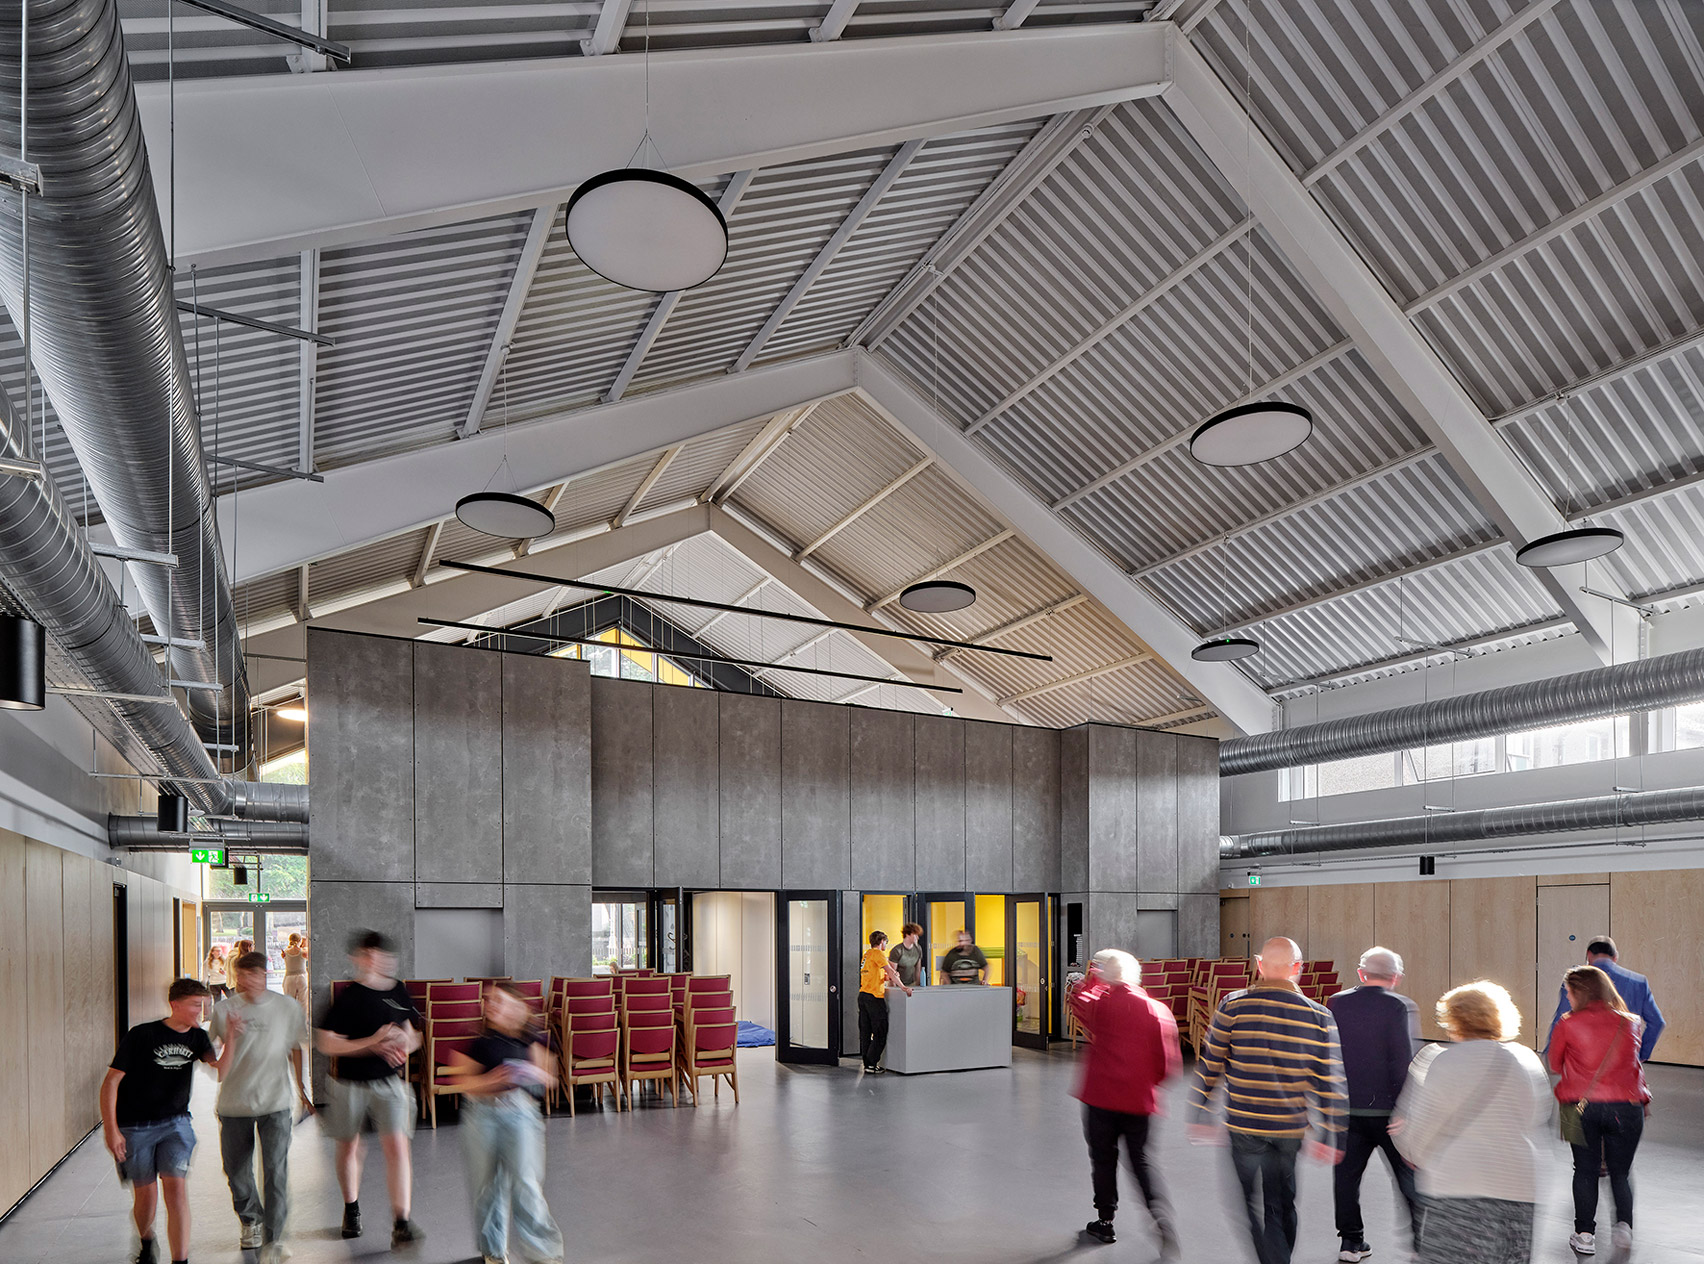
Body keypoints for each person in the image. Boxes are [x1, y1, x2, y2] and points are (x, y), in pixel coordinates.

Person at [1187, 937, 1346, 1264]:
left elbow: (1210, 1063)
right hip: (1289, 1129)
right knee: (1281, 1204)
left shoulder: (1232, 1005)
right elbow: (1330, 1082)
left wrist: (1198, 1111)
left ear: (1259, 965)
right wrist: (1333, 1133)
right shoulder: (1318, 1016)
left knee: (1250, 1206)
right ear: (1298, 969)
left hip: (1243, 1126)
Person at [1392, 981, 1550, 1264]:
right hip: (1518, 1186)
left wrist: (1408, 1143)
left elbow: (1418, 1134)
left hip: (1458, 1187)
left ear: (1454, 1019)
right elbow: (1535, 1116)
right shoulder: (1526, 1060)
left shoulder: (1440, 1061)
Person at [101, 978, 230, 1264]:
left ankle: (180, 1260)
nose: (201, 1012)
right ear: (175, 1005)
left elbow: (219, 1070)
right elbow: (111, 1082)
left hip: (176, 1124)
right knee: (146, 1197)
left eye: (204, 1006)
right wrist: (112, 1130)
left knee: (176, 1190)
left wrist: (232, 1038)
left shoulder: (198, 1037)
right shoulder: (142, 1035)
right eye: (196, 1006)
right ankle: (147, 1240)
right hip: (135, 1126)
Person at [315, 929, 426, 1247]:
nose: (377, 960)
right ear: (358, 958)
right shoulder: (347, 996)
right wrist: (373, 1043)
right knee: (350, 1147)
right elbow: (327, 1042)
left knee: (398, 1148)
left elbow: (413, 1035)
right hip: (350, 1084)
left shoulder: (399, 991)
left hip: (390, 1083)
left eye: (382, 955)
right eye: (369, 954)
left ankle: (401, 1222)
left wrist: (405, 1044)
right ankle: (351, 1209)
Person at [1070, 949, 1181, 1257]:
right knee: (1142, 1162)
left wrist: (1094, 978)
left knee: (1103, 1160)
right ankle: (1161, 1219)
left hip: (1100, 1098)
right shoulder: (1157, 1010)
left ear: (1107, 976)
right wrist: (1146, 1084)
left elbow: (1077, 1001)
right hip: (1139, 1100)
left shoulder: (1101, 1005)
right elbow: (1168, 1066)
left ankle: (1105, 1221)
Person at [448, 981, 565, 1264]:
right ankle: (494, 1251)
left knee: (526, 1184)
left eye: (499, 1001)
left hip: (521, 1114)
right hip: (482, 1116)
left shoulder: (533, 1039)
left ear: (518, 1007)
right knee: (487, 1187)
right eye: (490, 1002)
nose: (492, 1007)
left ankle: (543, 1253)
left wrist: (531, 1075)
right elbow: (461, 1081)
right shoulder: (478, 1041)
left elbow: (550, 1079)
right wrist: (492, 1080)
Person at [210, 951, 314, 1264]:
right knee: (237, 1172)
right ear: (237, 976)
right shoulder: (223, 1009)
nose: (248, 982)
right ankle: (250, 1218)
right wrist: (230, 1036)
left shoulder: (287, 1007)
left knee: (276, 1172)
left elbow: (297, 1048)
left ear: (265, 974)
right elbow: (213, 1063)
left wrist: (303, 1090)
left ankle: (275, 1239)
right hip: (234, 1104)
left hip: (276, 1103)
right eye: (242, 976)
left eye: (254, 975)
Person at [1326, 947, 1421, 1263]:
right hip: (1389, 1113)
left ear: (1361, 973)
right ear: (1396, 977)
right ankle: (1419, 1243)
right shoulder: (1399, 1006)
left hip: (1346, 1110)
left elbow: (1329, 1058)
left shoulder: (1337, 1003)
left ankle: (1351, 1243)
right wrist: (1404, 1109)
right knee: (1407, 1178)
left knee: (1346, 1179)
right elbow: (1402, 1061)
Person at [1548, 964, 1648, 1258]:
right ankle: (1623, 1228)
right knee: (1621, 1172)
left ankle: (1585, 1235)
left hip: (1576, 1106)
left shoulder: (1567, 1022)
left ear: (1580, 991)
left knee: (1584, 1171)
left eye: (1569, 991)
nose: (1567, 997)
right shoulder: (1630, 1022)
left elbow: (1555, 1064)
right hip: (1627, 1108)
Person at [1545, 936, 1664, 1063]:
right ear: (1615, 957)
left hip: (1583, 1061)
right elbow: (1657, 1022)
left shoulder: (1576, 981)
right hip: (1623, 1062)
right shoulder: (1639, 983)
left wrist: (1550, 1054)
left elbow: (1561, 1018)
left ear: (1588, 955)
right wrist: (1639, 1055)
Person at [857, 931, 913, 1074]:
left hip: (863, 996)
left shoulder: (867, 954)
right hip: (874, 998)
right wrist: (903, 987)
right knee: (880, 1031)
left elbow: (876, 975)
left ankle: (868, 1064)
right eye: (885, 942)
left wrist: (887, 977)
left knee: (865, 1032)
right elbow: (891, 970)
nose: (886, 945)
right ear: (881, 941)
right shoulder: (879, 954)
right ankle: (872, 1062)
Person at [281, 932, 310, 1026]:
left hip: (289, 978)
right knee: (303, 1004)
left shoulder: (285, 952)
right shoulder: (303, 952)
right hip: (301, 978)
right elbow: (310, 955)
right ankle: (302, 1026)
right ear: (299, 941)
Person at [889, 923, 927, 987]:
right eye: (915, 935)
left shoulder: (918, 949)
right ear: (907, 935)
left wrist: (919, 985)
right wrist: (895, 989)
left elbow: (918, 969)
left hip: (912, 984)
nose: (917, 937)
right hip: (899, 985)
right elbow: (892, 973)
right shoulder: (897, 950)